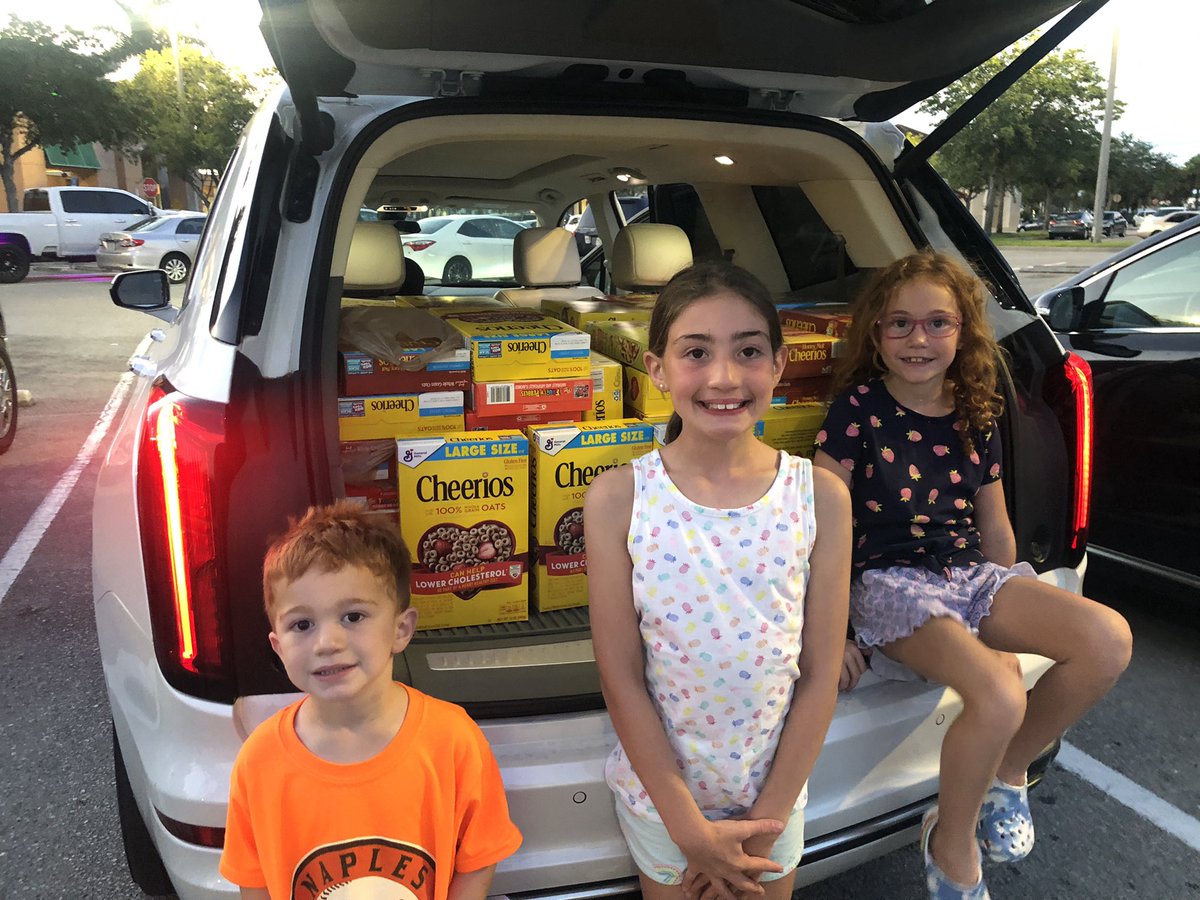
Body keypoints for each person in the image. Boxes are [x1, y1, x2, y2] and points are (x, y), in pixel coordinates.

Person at [813, 250, 1132, 900]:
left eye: (937, 322)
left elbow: (993, 525)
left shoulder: (975, 411)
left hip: (967, 575)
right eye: (899, 324)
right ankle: (950, 845)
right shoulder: (857, 410)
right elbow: (823, 525)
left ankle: (1009, 770)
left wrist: (1015, 602)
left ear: (963, 332)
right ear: (875, 334)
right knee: (999, 693)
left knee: (1107, 639)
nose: (918, 339)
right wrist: (834, 630)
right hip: (889, 584)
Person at [586, 260, 852, 900]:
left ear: (779, 365)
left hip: (773, 800)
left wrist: (765, 828)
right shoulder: (619, 498)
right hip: (662, 805)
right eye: (696, 352)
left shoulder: (819, 496)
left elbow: (819, 673)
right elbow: (620, 674)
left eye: (749, 351)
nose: (724, 377)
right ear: (657, 369)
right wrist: (688, 831)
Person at [220, 501, 522, 900]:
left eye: (353, 617)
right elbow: (253, 882)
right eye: (302, 624)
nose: (328, 643)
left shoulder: (452, 742)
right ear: (278, 646)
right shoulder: (258, 762)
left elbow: (478, 858)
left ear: (401, 629)